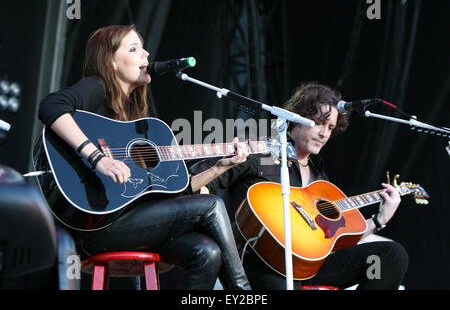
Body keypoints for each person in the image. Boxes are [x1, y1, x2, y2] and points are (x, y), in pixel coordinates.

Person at [37, 24, 251, 290]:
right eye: (134, 48)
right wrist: (97, 158)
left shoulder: (140, 120)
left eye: (143, 47)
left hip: (139, 223)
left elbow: (177, 191)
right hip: (97, 227)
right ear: (111, 62)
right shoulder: (97, 88)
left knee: (207, 253)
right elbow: (51, 106)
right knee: (211, 204)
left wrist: (220, 166)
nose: (146, 54)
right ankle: (243, 293)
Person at [192, 82, 409, 290]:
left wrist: (378, 221)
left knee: (391, 256)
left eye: (331, 127)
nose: (324, 134)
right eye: (318, 122)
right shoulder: (260, 150)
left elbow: (332, 243)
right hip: (263, 260)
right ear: (297, 117)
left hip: (307, 264)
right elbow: (200, 182)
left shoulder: (320, 178)